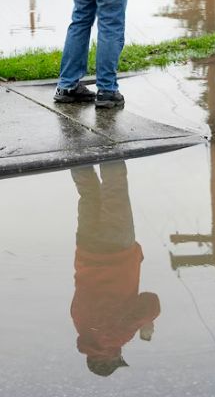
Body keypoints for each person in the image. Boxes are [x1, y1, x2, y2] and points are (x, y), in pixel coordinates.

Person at [69, 162, 159, 377]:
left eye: (117, 359)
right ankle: (75, 144)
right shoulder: (81, 325)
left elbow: (151, 303)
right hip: (87, 250)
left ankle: (109, 139)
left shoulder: (113, 338)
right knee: (88, 193)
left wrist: (146, 323)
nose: (120, 354)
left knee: (115, 189)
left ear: (109, 358)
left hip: (117, 251)